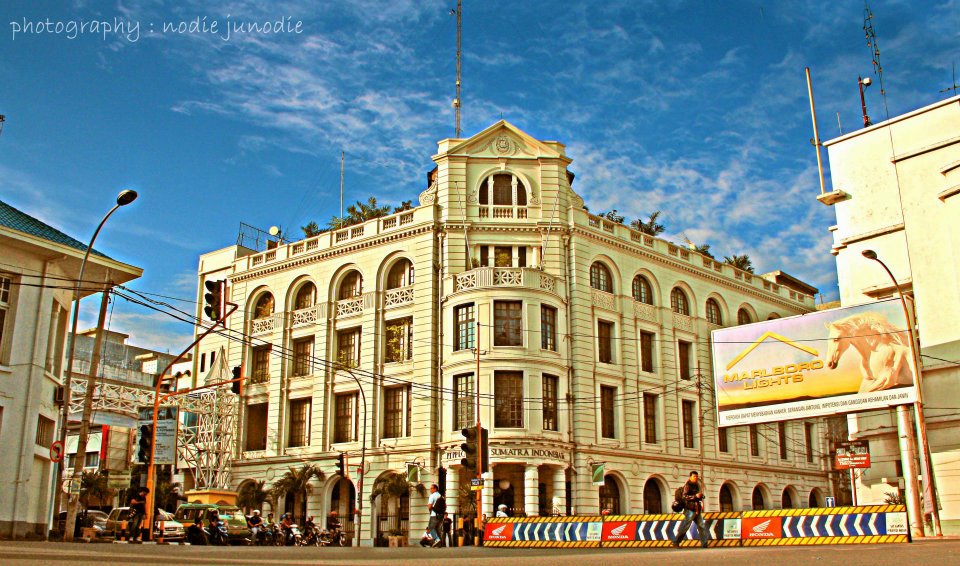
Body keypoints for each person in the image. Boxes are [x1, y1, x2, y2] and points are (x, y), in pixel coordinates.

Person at [672, 470, 708, 549]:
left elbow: (698, 496)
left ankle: (704, 543)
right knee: (685, 526)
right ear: (690, 477)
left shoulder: (697, 485)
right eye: (694, 476)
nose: (695, 478)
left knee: (702, 525)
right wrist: (695, 496)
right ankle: (676, 541)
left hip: (697, 509)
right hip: (690, 509)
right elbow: (684, 497)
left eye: (696, 476)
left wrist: (701, 496)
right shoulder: (687, 485)